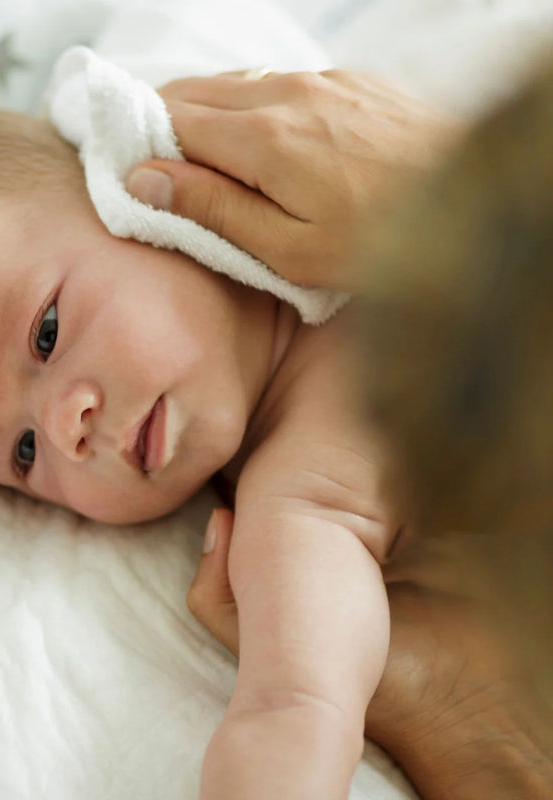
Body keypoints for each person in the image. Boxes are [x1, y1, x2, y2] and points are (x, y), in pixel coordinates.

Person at [129, 65, 553, 798]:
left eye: (46, 332)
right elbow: (296, 709)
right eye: (21, 452)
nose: (62, 425)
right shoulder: (298, 499)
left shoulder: (418, 190)